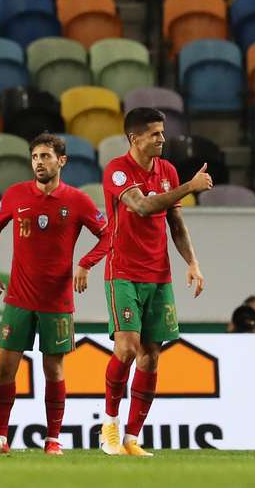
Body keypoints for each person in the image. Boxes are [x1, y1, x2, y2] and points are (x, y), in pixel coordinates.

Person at [0, 133, 110, 455]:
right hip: (18, 299)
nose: (39, 162)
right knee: (4, 369)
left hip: (57, 301)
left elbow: (108, 237)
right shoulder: (15, 195)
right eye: (35, 157)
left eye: (46, 157)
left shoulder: (78, 201)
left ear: (61, 161)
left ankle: (53, 439)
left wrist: (86, 263)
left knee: (53, 370)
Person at [99, 108, 213, 457]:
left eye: (162, 133)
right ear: (135, 138)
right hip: (123, 272)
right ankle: (109, 428)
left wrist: (192, 262)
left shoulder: (167, 171)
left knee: (151, 357)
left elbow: (174, 222)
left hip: (158, 275)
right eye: (154, 134)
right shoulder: (117, 172)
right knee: (127, 348)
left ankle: (132, 438)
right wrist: (189, 188)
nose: (162, 139)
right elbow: (144, 207)